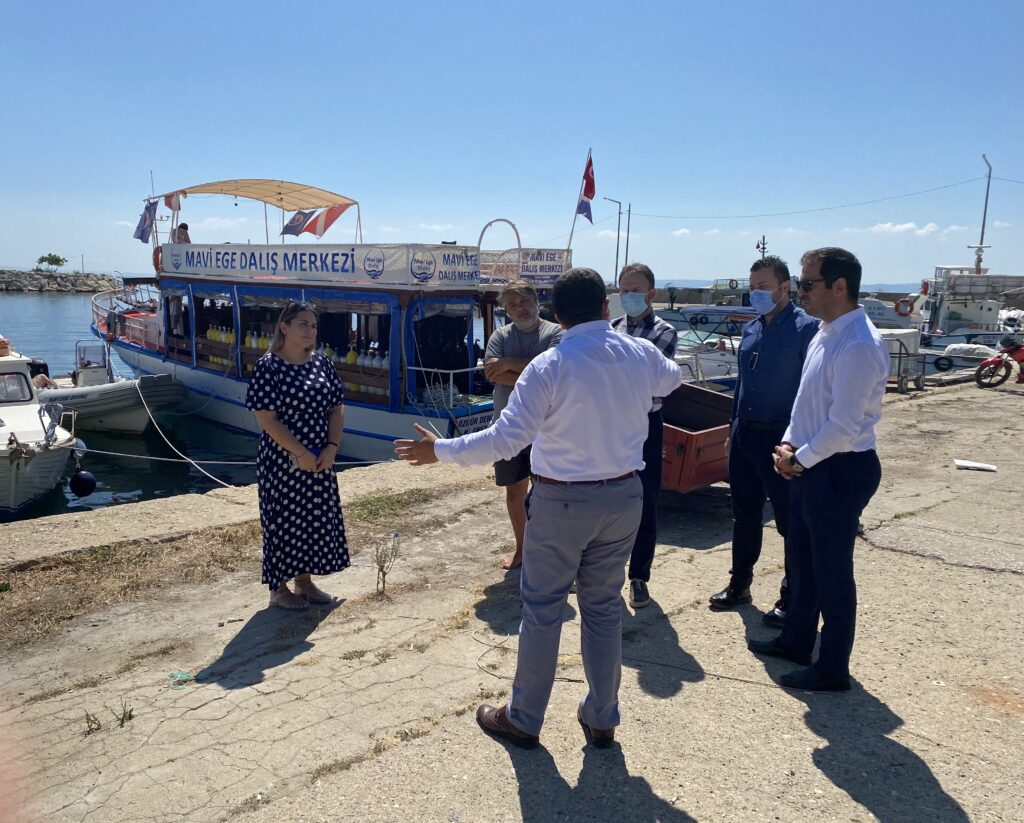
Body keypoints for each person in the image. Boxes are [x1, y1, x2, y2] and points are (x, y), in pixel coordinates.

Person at [396, 268, 682, 748]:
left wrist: (440, 450)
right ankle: (602, 715)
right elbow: (673, 380)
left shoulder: (549, 366)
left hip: (562, 499)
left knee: (544, 609)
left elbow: (505, 439)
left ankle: (525, 718)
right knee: (603, 608)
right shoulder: (640, 352)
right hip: (623, 495)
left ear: (557, 316)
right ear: (606, 307)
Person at [748, 247, 889, 692]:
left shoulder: (859, 344)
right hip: (810, 463)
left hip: (839, 468)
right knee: (803, 563)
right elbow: (807, 403)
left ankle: (832, 668)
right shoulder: (826, 333)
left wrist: (799, 459)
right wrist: (791, 444)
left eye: (808, 283)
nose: (801, 291)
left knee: (832, 574)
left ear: (839, 286)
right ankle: (796, 640)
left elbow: (844, 425)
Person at [709, 256, 819, 626]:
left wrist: (799, 443)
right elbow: (742, 383)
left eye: (763, 287)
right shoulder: (751, 329)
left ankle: (792, 595)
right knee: (744, 514)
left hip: (782, 438)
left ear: (785, 288)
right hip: (745, 434)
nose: (756, 293)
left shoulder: (807, 329)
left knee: (790, 521)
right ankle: (739, 584)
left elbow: (811, 390)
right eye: (752, 287)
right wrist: (731, 430)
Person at [245, 300, 350, 610]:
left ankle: (303, 582)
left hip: (320, 456)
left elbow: (337, 408)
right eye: (303, 324)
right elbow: (266, 419)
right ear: (284, 327)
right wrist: (300, 452)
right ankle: (278, 589)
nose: (310, 330)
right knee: (282, 521)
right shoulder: (268, 366)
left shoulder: (322, 363)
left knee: (312, 518)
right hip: (282, 460)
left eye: (313, 325)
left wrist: (331, 447)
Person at [483, 280, 563, 570]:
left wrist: (508, 363)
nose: (520, 308)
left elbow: (553, 373)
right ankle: (522, 548)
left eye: (524, 301)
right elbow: (492, 373)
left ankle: (551, 553)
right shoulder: (500, 336)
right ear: (506, 310)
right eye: (512, 305)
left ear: (535, 300)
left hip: (548, 431)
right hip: (509, 428)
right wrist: (529, 373)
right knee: (514, 492)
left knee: (550, 495)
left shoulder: (555, 333)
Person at [611, 263, 677, 609]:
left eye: (635, 291)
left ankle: (639, 576)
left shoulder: (664, 332)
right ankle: (603, 571)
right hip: (612, 424)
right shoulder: (612, 328)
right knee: (606, 496)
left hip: (646, 423)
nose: (628, 296)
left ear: (651, 294)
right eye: (624, 290)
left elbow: (645, 380)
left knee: (645, 499)